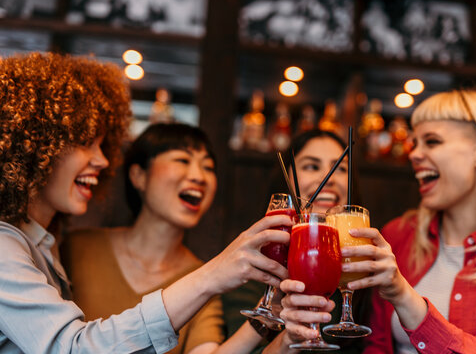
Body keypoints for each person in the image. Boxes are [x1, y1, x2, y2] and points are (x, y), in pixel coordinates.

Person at [0, 52, 291, 353]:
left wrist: (275, 326)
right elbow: (73, 348)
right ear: (36, 146)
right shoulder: (17, 247)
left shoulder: (46, 246)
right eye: (86, 142)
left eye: (208, 166)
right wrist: (213, 274)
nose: (102, 161)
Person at [280, 89, 476, 353]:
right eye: (415, 143)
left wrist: (404, 296)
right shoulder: (399, 235)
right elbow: (375, 346)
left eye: (432, 141)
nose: (414, 154)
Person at [64, 122, 304, 353]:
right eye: (182, 160)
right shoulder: (73, 248)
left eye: (208, 167)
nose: (199, 176)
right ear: (138, 176)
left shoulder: (208, 276)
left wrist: (269, 314)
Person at [222, 129, 370, 353]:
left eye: (339, 168)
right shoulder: (258, 259)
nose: (327, 178)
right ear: (287, 179)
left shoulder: (364, 264)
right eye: (311, 166)